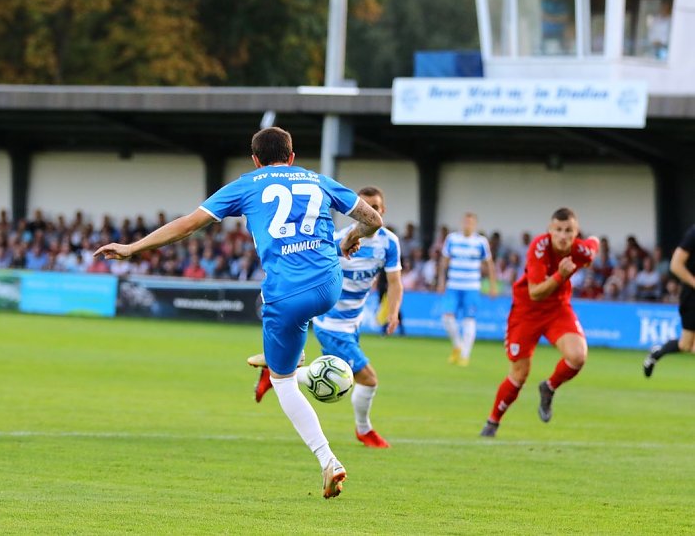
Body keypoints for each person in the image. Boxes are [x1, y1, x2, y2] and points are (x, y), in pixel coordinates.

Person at [94, 127, 382, 498]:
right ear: (292, 157)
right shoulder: (318, 180)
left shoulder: (248, 184)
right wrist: (350, 237)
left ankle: (328, 460)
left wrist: (134, 247)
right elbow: (373, 219)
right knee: (294, 316)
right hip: (329, 284)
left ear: (256, 160)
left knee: (283, 380)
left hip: (286, 295)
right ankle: (285, 358)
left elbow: (187, 225)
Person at [248, 186, 402, 449]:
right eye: (365, 207)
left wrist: (393, 311)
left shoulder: (389, 243)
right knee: (368, 379)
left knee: (353, 377)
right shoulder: (337, 240)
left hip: (353, 323)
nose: (370, 212)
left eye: (375, 208)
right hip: (331, 324)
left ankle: (275, 372)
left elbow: (395, 281)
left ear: (382, 210)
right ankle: (364, 431)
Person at [480, 208, 598, 437]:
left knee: (578, 356)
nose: (563, 236)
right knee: (520, 373)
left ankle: (549, 387)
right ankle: (493, 422)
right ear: (549, 230)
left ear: (576, 233)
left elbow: (594, 245)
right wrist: (560, 276)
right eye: (559, 230)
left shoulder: (580, 250)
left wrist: (588, 257)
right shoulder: (539, 247)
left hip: (558, 309)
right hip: (527, 311)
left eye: (569, 231)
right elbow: (535, 293)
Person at [437, 212, 498, 366]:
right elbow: (444, 261)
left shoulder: (480, 242)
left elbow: (489, 264)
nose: (467, 225)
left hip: (471, 287)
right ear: (461, 223)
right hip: (453, 285)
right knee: (447, 318)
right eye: (465, 222)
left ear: (475, 225)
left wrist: (492, 285)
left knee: (469, 320)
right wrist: (441, 281)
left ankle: (465, 355)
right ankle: (458, 345)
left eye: (470, 222)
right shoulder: (452, 239)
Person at [642, 223, 695, 377]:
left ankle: (657, 353)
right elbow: (675, 265)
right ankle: (657, 353)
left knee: (688, 345)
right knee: (686, 345)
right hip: (691, 296)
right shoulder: (693, 234)